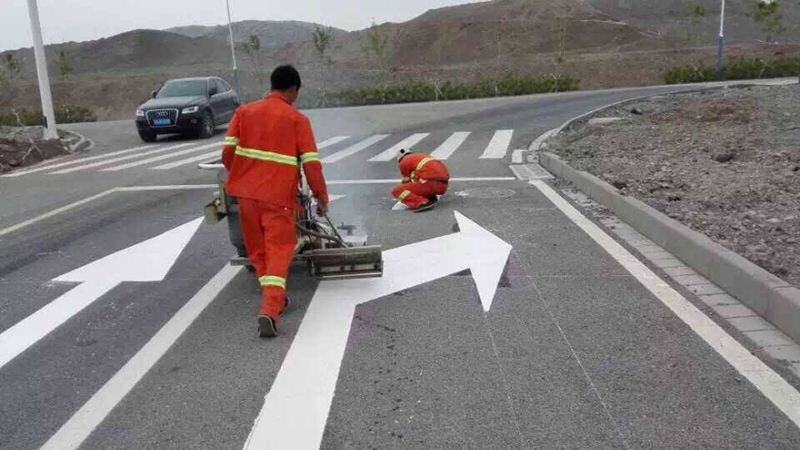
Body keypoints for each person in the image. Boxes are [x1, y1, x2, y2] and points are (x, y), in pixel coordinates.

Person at [222, 65, 329, 338]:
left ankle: (276, 299)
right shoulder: (297, 119)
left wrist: (243, 178)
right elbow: (311, 164)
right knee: (279, 253)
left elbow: (227, 153)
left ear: (272, 86)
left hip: (247, 198)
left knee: (258, 252)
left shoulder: (243, 112)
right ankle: (270, 310)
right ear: (293, 90)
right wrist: (320, 196)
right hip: (278, 198)